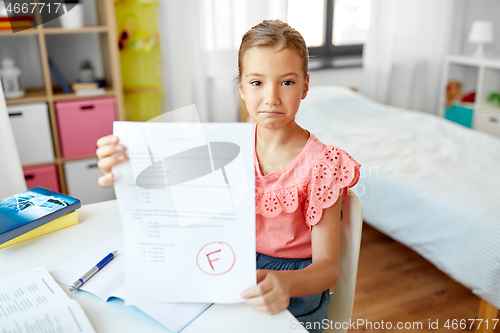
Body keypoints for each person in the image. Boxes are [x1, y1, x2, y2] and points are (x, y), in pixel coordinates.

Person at [96, 19, 360, 333]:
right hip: (226, 271)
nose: (271, 97)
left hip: (293, 295)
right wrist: (125, 167)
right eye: (257, 82)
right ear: (241, 88)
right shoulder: (222, 147)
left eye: (286, 82)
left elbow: (328, 269)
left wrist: (285, 283)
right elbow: (169, 197)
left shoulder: (323, 165)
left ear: (305, 85)